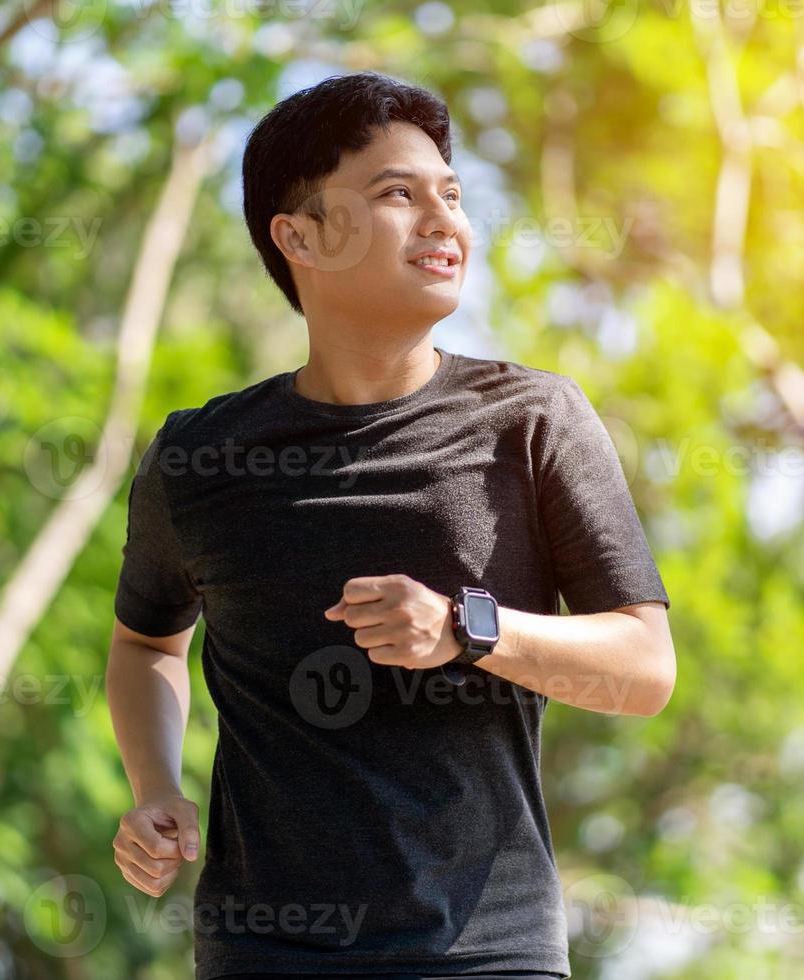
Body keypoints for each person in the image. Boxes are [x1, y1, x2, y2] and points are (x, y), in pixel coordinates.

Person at [106, 70, 676, 980]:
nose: (444, 219)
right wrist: (154, 790)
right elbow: (146, 645)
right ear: (299, 236)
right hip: (264, 956)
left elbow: (645, 670)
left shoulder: (534, 422)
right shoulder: (200, 457)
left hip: (488, 952)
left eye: (451, 194)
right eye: (397, 195)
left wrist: (464, 629)